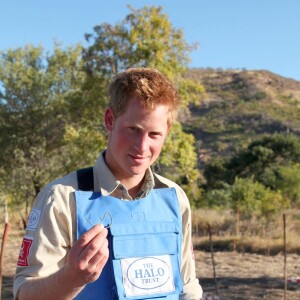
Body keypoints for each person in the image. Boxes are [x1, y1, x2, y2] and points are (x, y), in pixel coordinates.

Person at [13, 68, 203, 300]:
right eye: (133, 130)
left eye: (154, 134)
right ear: (110, 120)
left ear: (167, 132)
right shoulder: (62, 198)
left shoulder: (175, 198)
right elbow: (25, 294)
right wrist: (72, 278)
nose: (142, 147)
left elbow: (188, 288)